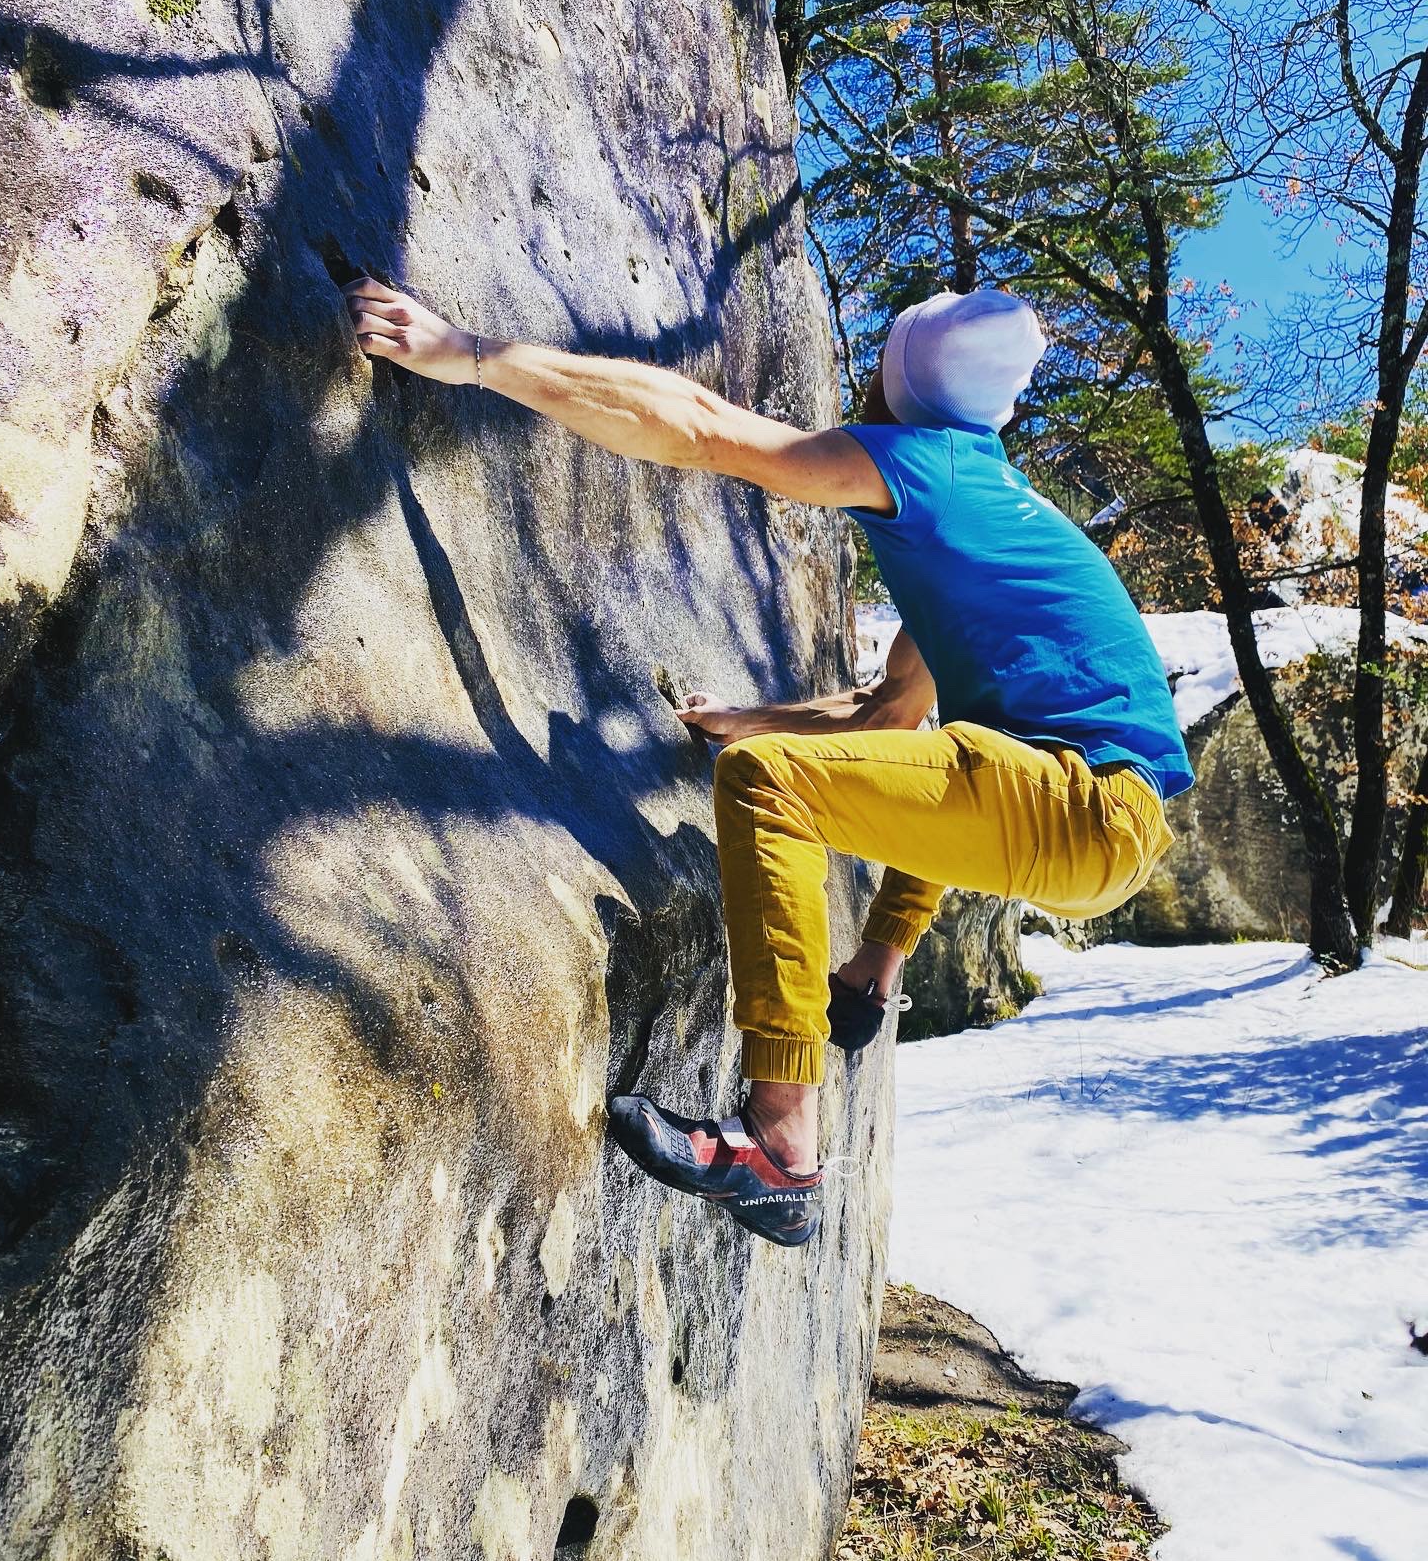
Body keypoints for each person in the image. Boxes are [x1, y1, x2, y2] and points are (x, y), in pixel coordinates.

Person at [342, 277, 1193, 1249]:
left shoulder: (919, 463)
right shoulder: (984, 516)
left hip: (1081, 803)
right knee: (911, 752)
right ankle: (864, 989)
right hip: (1107, 828)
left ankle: (781, 1141)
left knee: (767, 788)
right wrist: (757, 726)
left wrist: (471, 354)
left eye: (881, 366)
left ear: (900, 392)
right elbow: (889, 716)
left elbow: (700, 426)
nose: (864, 388)